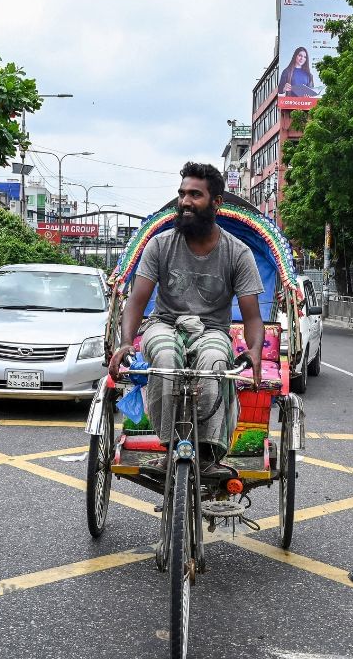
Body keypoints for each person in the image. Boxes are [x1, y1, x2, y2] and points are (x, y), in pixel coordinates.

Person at [107, 162, 264, 476]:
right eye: (182, 194)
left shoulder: (238, 253)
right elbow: (137, 301)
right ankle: (169, 447)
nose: (185, 201)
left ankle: (207, 453)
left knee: (217, 361)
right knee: (164, 357)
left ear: (216, 202)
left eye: (195, 194)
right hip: (164, 324)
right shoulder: (160, 245)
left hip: (212, 330)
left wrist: (256, 351)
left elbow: (252, 315)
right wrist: (125, 344)